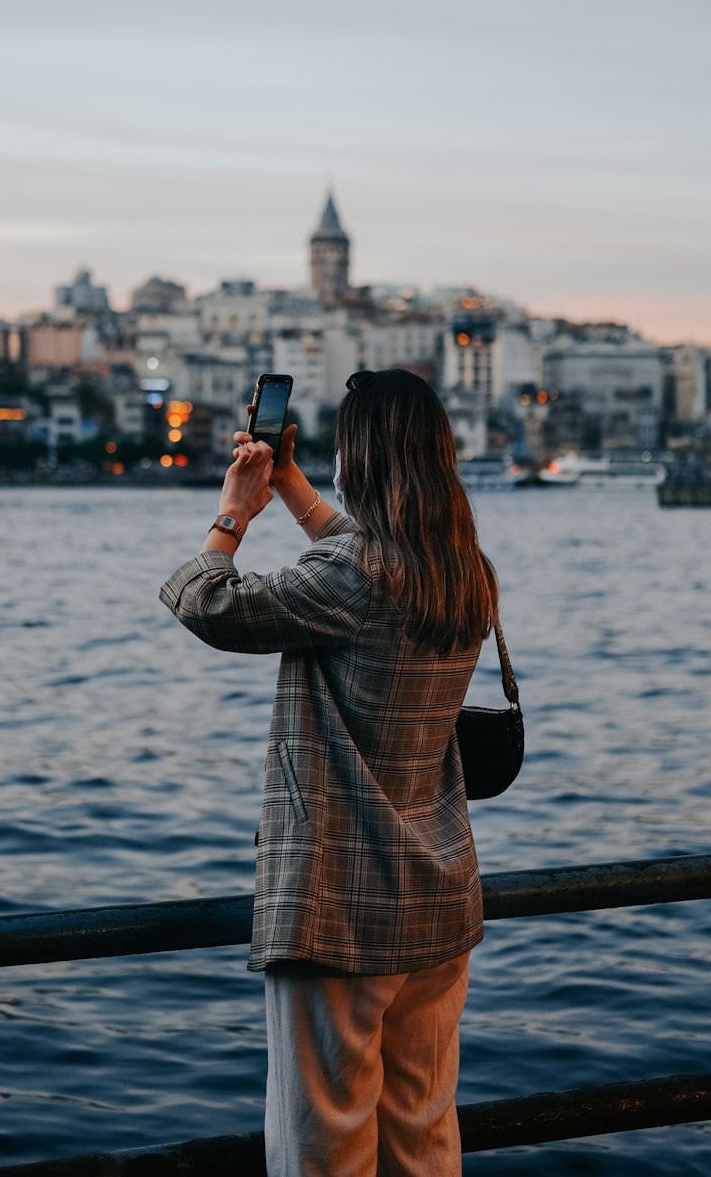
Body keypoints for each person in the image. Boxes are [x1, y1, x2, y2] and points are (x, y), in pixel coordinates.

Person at [159, 368, 499, 1177]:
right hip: (438, 899)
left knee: (324, 1147)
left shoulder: (353, 578)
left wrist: (234, 513)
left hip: (341, 910)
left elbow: (202, 599)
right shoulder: (462, 571)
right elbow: (358, 550)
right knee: (423, 1137)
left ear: (364, 457)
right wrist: (290, 486)